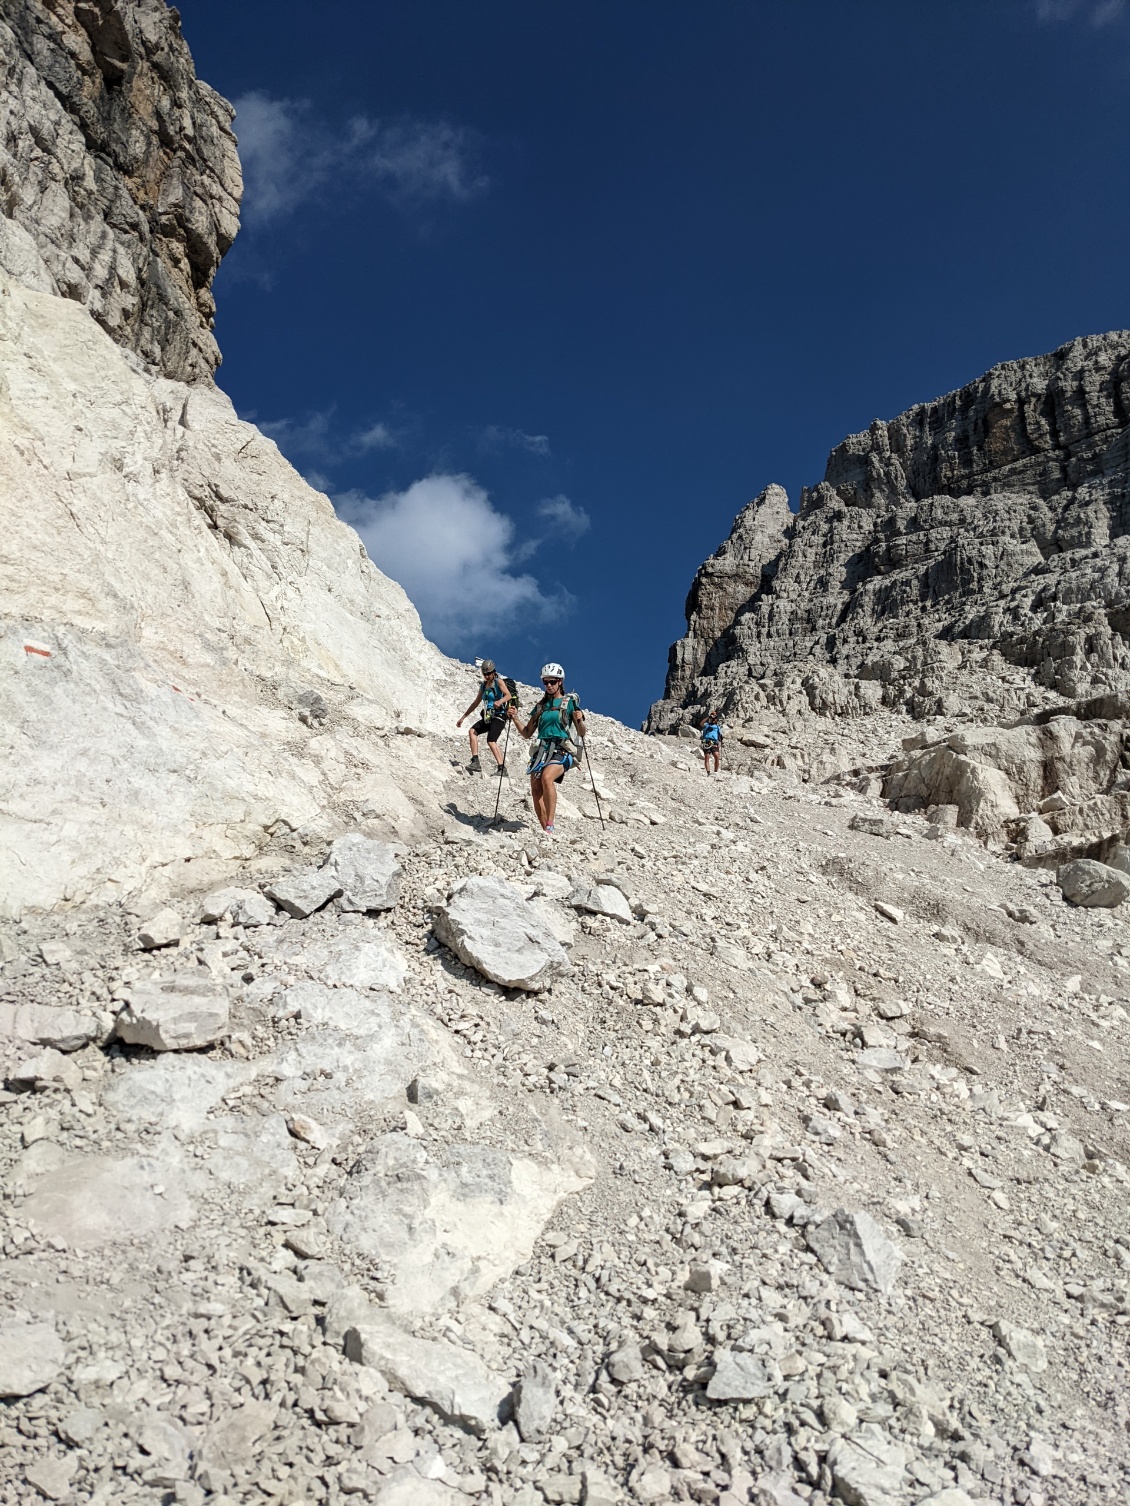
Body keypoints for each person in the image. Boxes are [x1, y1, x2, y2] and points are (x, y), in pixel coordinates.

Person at [514, 663, 586, 834]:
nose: (548, 685)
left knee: (547, 778)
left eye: (552, 681)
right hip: (542, 751)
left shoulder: (569, 703)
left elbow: (581, 732)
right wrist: (515, 718)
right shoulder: (540, 707)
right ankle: (545, 830)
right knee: (535, 788)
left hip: (562, 749)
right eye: (545, 682)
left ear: (560, 681)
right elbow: (527, 732)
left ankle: (551, 823)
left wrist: (580, 719)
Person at [456, 660, 512, 774]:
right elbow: (476, 703)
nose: (486, 676)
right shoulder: (483, 686)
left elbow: (508, 695)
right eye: (484, 674)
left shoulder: (498, 682)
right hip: (488, 716)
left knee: (491, 740)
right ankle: (475, 761)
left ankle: (502, 768)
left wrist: (500, 701)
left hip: (499, 715)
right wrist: (463, 717)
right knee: (472, 731)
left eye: (488, 673)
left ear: (493, 672)